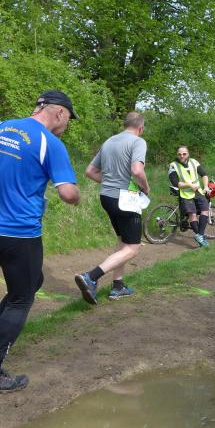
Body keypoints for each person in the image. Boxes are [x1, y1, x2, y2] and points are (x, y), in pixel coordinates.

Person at [0, 90, 80, 396]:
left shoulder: (0, 128)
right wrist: (77, 195)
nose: (66, 125)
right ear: (59, 113)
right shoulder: (50, 143)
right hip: (19, 235)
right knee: (22, 298)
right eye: (68, 120)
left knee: (31, 282)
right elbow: (67, 193)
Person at [75, 112, 150, 304]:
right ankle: (91, 277)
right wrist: (145, 187)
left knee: (123, 241)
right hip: (125, 200)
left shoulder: (109, 142)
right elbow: (137, 170)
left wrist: (110, 182)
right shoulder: (138, 142)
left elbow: (90, 172)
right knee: (132, 248)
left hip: (106, 197)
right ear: (140, 128)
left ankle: (118, 286)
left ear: (125, 124)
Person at [168, 146, 211, 247]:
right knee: (192, 215)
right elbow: (175, 183)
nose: (182, 156)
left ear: (188, 154)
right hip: (185, 194)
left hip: (198, 191)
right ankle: (200, 237)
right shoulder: (173, 165)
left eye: (184, 154)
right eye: (179, 154)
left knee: (205, 209)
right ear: (177, 154)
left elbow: (204, 174)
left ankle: (200, 235)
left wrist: (205, 186)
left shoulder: (193, 162)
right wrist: (190, 185)